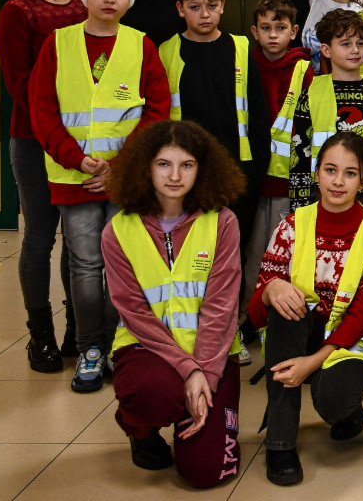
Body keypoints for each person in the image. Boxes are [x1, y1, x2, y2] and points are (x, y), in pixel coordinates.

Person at [30, 0, 171, 392]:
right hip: (73, 178)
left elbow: (157, 110)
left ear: (130, 0)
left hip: (125, 181)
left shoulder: (141, 45)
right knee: (86, 265)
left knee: (122, 265)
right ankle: (90, 347)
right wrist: (76, 159)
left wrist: (120, 166)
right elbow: (42, 110)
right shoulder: (57, 43)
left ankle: (119, 346)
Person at [249, 131, 363, 486]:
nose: (338, 181)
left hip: (353, 340)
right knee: (284, 310)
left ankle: (347, 409)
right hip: (298, 334)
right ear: (316, 174)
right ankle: (281, 444)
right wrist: (270, 290)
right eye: (330, 170)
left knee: (333, 398)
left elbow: (362, 315)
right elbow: (255, 315)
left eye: (350, 173)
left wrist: (312, 363)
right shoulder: (290, 227)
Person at [102, 120, 246, 487]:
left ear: (202, 169)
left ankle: (191, 412)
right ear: (146, 167)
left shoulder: (223, 222)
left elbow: (222, 308)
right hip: (147, 349)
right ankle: (141, 430)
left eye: (187, 165)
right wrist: (188, 371)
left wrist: (205, 375)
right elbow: (135, 313)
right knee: (148, 394)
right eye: (164, 164)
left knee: (205, 472)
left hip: (212, 354)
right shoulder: (118, 231)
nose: (175, 176)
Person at [0, 0, 84, 371]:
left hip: (82, 143)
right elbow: (19, 84)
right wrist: (55, 130)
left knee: (77, 239)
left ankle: (76, 330)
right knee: (39, 237)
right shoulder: (18, 11)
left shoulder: (87, 5)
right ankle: (40, 336)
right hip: (34, 140)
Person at [158, 0, 271, 302]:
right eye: (194, 7)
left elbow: (257, 111)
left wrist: (257, 169)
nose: (204, 14)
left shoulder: (241, 48)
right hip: (184, 173)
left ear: (222, 5)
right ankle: (189, 319)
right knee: (189, 251)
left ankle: (228, 321)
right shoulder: (167, 51)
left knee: (231, 252)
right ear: (180, 9)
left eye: (211, 6)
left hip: (236, 169)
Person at [279, 9, 363, 218]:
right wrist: (299, 206)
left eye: (360, 43)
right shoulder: (311, 94)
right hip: (324, 193)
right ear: (326, 50)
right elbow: (299, 154)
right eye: (345, 44)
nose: (355, 50)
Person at [248, 0, 312, 309]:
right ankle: (247, 316)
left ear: (294, 31)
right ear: (254, 32)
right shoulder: (244, 65)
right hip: (251, 178)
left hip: (289, 180)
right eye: (265, 28)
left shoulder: (304, 69)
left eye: (281, 27)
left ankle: (278, 314)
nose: (273, 34)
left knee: (284, 253)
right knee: (251, 252)